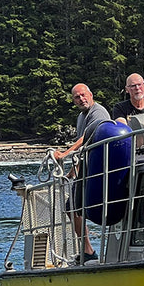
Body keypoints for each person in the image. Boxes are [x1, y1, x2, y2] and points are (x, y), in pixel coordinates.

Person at [54, 83, 110, 263]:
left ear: (91, 95)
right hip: (87, 169)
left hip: (101, 169)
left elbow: (86, 137)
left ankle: (89, 250)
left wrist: (64, 154)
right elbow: (84, 151)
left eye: (83, 95)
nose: (81, 99)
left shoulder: (98, 112)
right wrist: (72, 172)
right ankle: (87, 250)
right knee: (72, 208)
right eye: (77, 97)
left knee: (77, 207)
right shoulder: (81, 116)